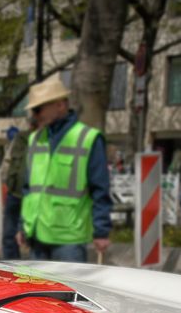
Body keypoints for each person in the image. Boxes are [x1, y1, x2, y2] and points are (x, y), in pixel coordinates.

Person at [15, 78, 111, 263]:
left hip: (68, 239)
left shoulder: (88, 138)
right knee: (38, 291)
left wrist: (101, 231)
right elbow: (28, 189)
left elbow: (100, 189)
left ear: (60, 105)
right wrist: (22, 226)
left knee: (66, 292)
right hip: (36, 234)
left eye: (38, 109)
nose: (35, 115)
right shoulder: (35, 139)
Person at [0, 117, 36, 259]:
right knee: (9, 236)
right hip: (14, 193)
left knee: (31, 237)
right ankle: (10, 269)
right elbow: (7, 162)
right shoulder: (20, 138)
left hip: (32, 195)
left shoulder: (46, 140)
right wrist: (6, 182)